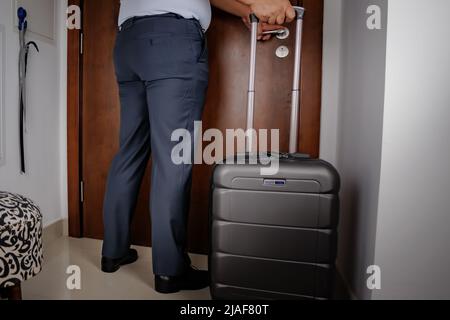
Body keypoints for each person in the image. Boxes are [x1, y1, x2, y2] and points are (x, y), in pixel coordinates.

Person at [101, 0, 295, 294]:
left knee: (129, 152)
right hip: (172, 39)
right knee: (173, 159)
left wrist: (246, 12)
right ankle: (170, 271)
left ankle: (113, 251)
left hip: (129, 42)